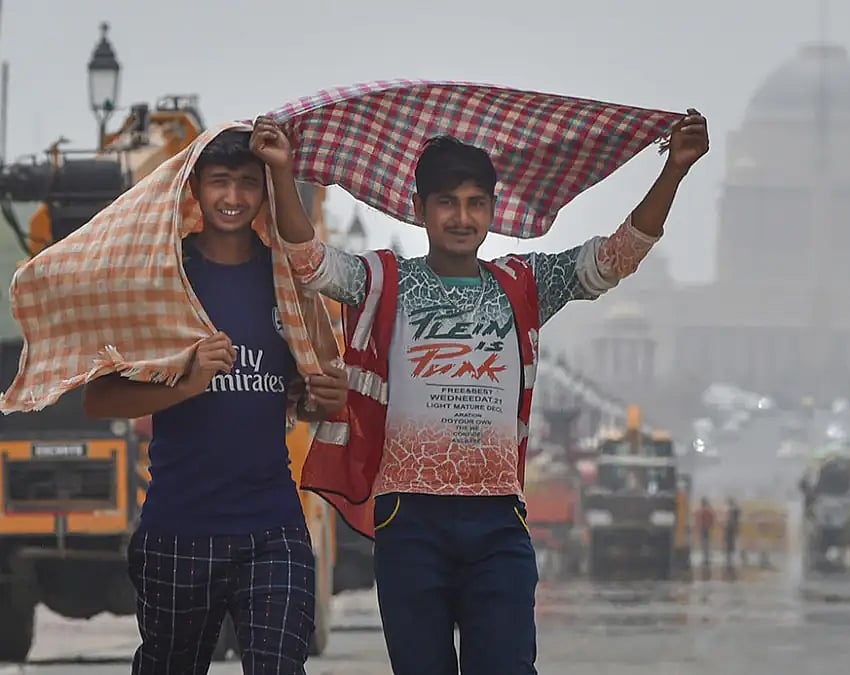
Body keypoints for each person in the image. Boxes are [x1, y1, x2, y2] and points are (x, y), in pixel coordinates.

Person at [253, 108, 708, 674]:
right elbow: (308, 261)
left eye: (475, 203)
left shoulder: (524, 285)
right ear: (419, 208)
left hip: (497, 525)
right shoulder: (387, 282)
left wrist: (674, 170)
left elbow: (617, 256)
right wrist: (280, 172)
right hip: (409, 521)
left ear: (493, 210)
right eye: (447, 202)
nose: (462, 217)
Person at [82, 129, 349, 674]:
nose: (233, 196)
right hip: (179, 528)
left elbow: (312, 390)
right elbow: (100, 398)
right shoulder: (164, 279)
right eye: (220, 181)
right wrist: (186, 383)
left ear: (265, 193)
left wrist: (325, 398)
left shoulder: (287, 281)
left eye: (248, 183)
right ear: (195, 189)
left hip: (273, 528)